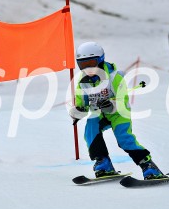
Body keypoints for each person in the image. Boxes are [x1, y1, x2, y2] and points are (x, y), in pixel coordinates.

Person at [69, 42, 164, 180]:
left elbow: (122, 100)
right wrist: (78, 112)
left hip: (118, 114)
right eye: (83, 64)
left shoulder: (114, 77)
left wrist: (111, 105)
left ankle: (148, 165)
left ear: (100, 60)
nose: (87, 68)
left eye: (91, 63)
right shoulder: (83, 82)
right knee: (91, 130)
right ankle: (103, 162)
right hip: (98, 114)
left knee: (124, 138)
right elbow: (82, 104)